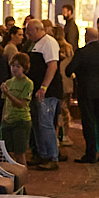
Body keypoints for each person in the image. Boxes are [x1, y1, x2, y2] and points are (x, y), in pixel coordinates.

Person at [68, 27, 99, 164]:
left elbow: (69, 70)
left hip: (86, 90)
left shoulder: (82, 52)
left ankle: (90, 153)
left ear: (87, 36)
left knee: (88, 121)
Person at [25, 17, 62, 170]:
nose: (27, 34)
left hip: (47, 91)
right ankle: (42, 153)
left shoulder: (49, 43)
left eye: (29, 31)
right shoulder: (35, 44)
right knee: (38, 123)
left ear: (38, 30)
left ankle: (52, 156)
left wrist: (44, 87)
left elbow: (52, 66)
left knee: (46, 123)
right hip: (36, 90)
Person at [0, 51, 33, 161]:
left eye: (18, 66)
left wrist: (8, 94)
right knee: (7, 154)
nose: (14, 69)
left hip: (21, 121)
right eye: (13, 66)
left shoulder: (28, 83)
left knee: (20, 153)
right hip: (8, 121)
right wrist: (3, 120)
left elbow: (21, 104)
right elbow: (5, 104)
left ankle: (22, 176)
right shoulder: (8, 82)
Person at [55, 25, 74, 145]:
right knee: (66, 108)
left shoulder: (54, 47)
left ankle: (56, 135)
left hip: (58, 81)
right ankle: (65, 135)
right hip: (68, 81)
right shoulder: (69, 48)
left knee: (57, 110)